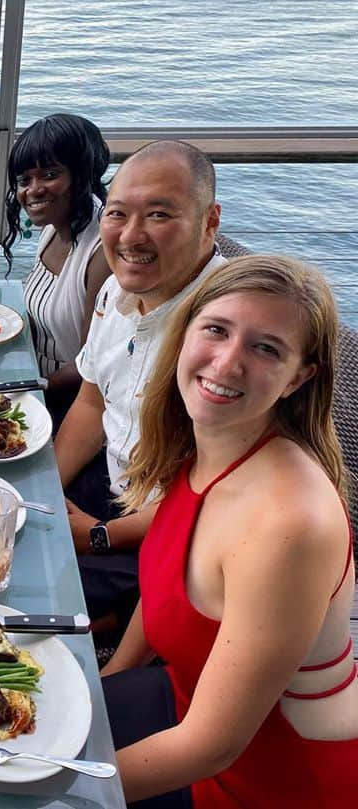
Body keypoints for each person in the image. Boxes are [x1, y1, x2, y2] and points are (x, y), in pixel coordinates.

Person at [101, 256, 358, 807]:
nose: (227, 362)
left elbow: (211, 747)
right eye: (217, 329)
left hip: (260, 778)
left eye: (266, 348)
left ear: (299, 377)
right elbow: (166, 580)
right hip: (184, 700)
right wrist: (113, 682)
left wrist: (52, 792)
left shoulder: (289, 524)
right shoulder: (207, 447)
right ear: (185, 329)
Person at [55, 140, 227, 624]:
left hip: (169, 537)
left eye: (158, 215)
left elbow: (215, 498)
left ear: (209, 221)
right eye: (117, 214)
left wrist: (99, 536)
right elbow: (92, 403)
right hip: (110, 478)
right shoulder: (118, 287)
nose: (131, 236)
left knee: (17, 601)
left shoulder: (229, 334)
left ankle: (119, 619)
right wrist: (45, 487)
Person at [0, 113, 112, 424]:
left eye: (49, 174)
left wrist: (25, 391)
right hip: (31, 373)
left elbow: (91, 363)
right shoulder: (54, 228)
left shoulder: (103, 252)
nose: (33, 191)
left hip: (68, 403)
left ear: (82, 174)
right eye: (24, 180)